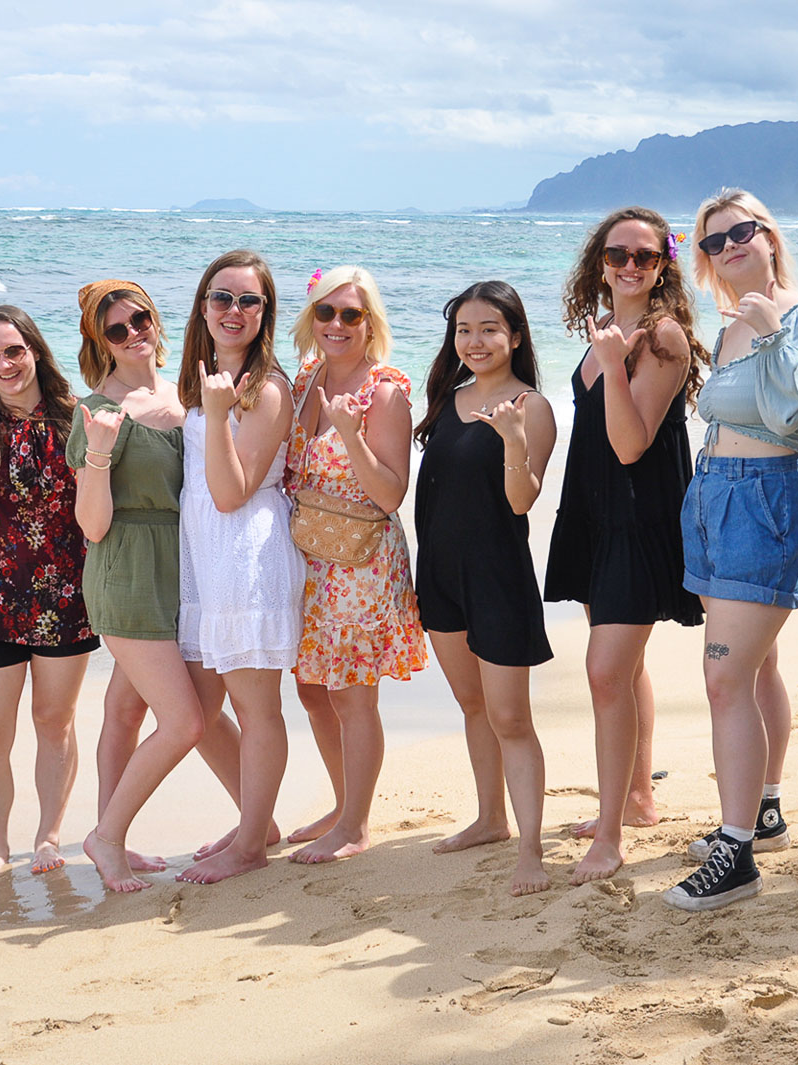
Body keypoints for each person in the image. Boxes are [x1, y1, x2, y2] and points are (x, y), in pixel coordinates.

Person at [662, 189, 798, 912]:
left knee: (724, 679)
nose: (728, 247)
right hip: (713, 495)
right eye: (712, 242)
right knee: (756, 668)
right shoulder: (728, 320)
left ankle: (735, 854)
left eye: (740, 233)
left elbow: (790, 415)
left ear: (768, 235)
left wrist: (768, 333)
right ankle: (762, 812)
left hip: (764, 499)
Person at [545, 207, 706, 885]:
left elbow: (631, 442)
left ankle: (609, 837)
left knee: (606, 672)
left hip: (641, 518)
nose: (631, 267)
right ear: (599, 263)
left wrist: (612, 364)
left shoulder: (663, 336)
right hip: (595, 510)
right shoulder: (607, 331)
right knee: (625, 666)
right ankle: (637, 797)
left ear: (665, 262)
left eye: (645, 256)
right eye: (618, 255)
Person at [0, 305, 98, 884]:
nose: (4, 364)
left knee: (55, 721)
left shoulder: (77, 415)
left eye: (13, 351)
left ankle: (49, 837)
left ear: (34, 349)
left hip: (65, 595)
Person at [413, 281, 557, 897]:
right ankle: (490, 819)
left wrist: (514, 441)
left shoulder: (532, 406)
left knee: (510, 717)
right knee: (473, 708)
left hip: (498, 578)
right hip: (440, 574)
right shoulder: (448, 397)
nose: (475, 341)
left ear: (515, 336)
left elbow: (522, 502)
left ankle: (530, 848)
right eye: (464, 330)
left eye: (489, 329)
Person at [284, 265, 428, 864]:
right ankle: (345, 804)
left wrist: (351, 432)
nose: (337, 324)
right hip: (310, 558)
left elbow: (392, 493)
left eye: (351, 314)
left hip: (361, 563)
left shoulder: (386, 390)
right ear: (310, 318)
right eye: (326, 312)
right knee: (313, 690)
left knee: (351, 696)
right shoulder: (303, 380)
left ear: (371, 323)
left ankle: (357, 824)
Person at [67, 278, 204, 893]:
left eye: (139, 319)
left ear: (156, 318)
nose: (132, 335)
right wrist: (99, 453)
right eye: (115, 330)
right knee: (185, 723)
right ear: (101, 342)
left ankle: (255, 828)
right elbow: (92, 524)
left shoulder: (192, 394)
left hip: (185, 568)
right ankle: (107, 837)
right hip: (126, 571)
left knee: (124, 711)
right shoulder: (97, 410)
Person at [173, 250, 304, 883]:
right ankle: (259, 820)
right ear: (203, 306)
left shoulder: (269, 388)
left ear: (265, 313)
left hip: (246, 553)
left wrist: (221, 415)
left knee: (256, 710)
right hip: (202, 556)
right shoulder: (197, 378)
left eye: (248, 300)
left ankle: (251, 844)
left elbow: (231, 492)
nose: (233, 310)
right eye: (222, 298)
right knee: (194, 713)